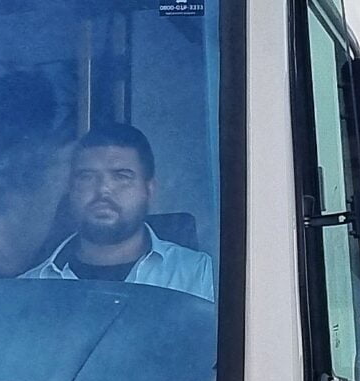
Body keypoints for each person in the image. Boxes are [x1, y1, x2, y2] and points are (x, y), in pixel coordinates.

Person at [20, 124, 215, 300]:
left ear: (149, 190)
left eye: (122, 176)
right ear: (70, 189)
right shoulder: (28, 289)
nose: (103, 189)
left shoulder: (201, 277)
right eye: (87, 177)